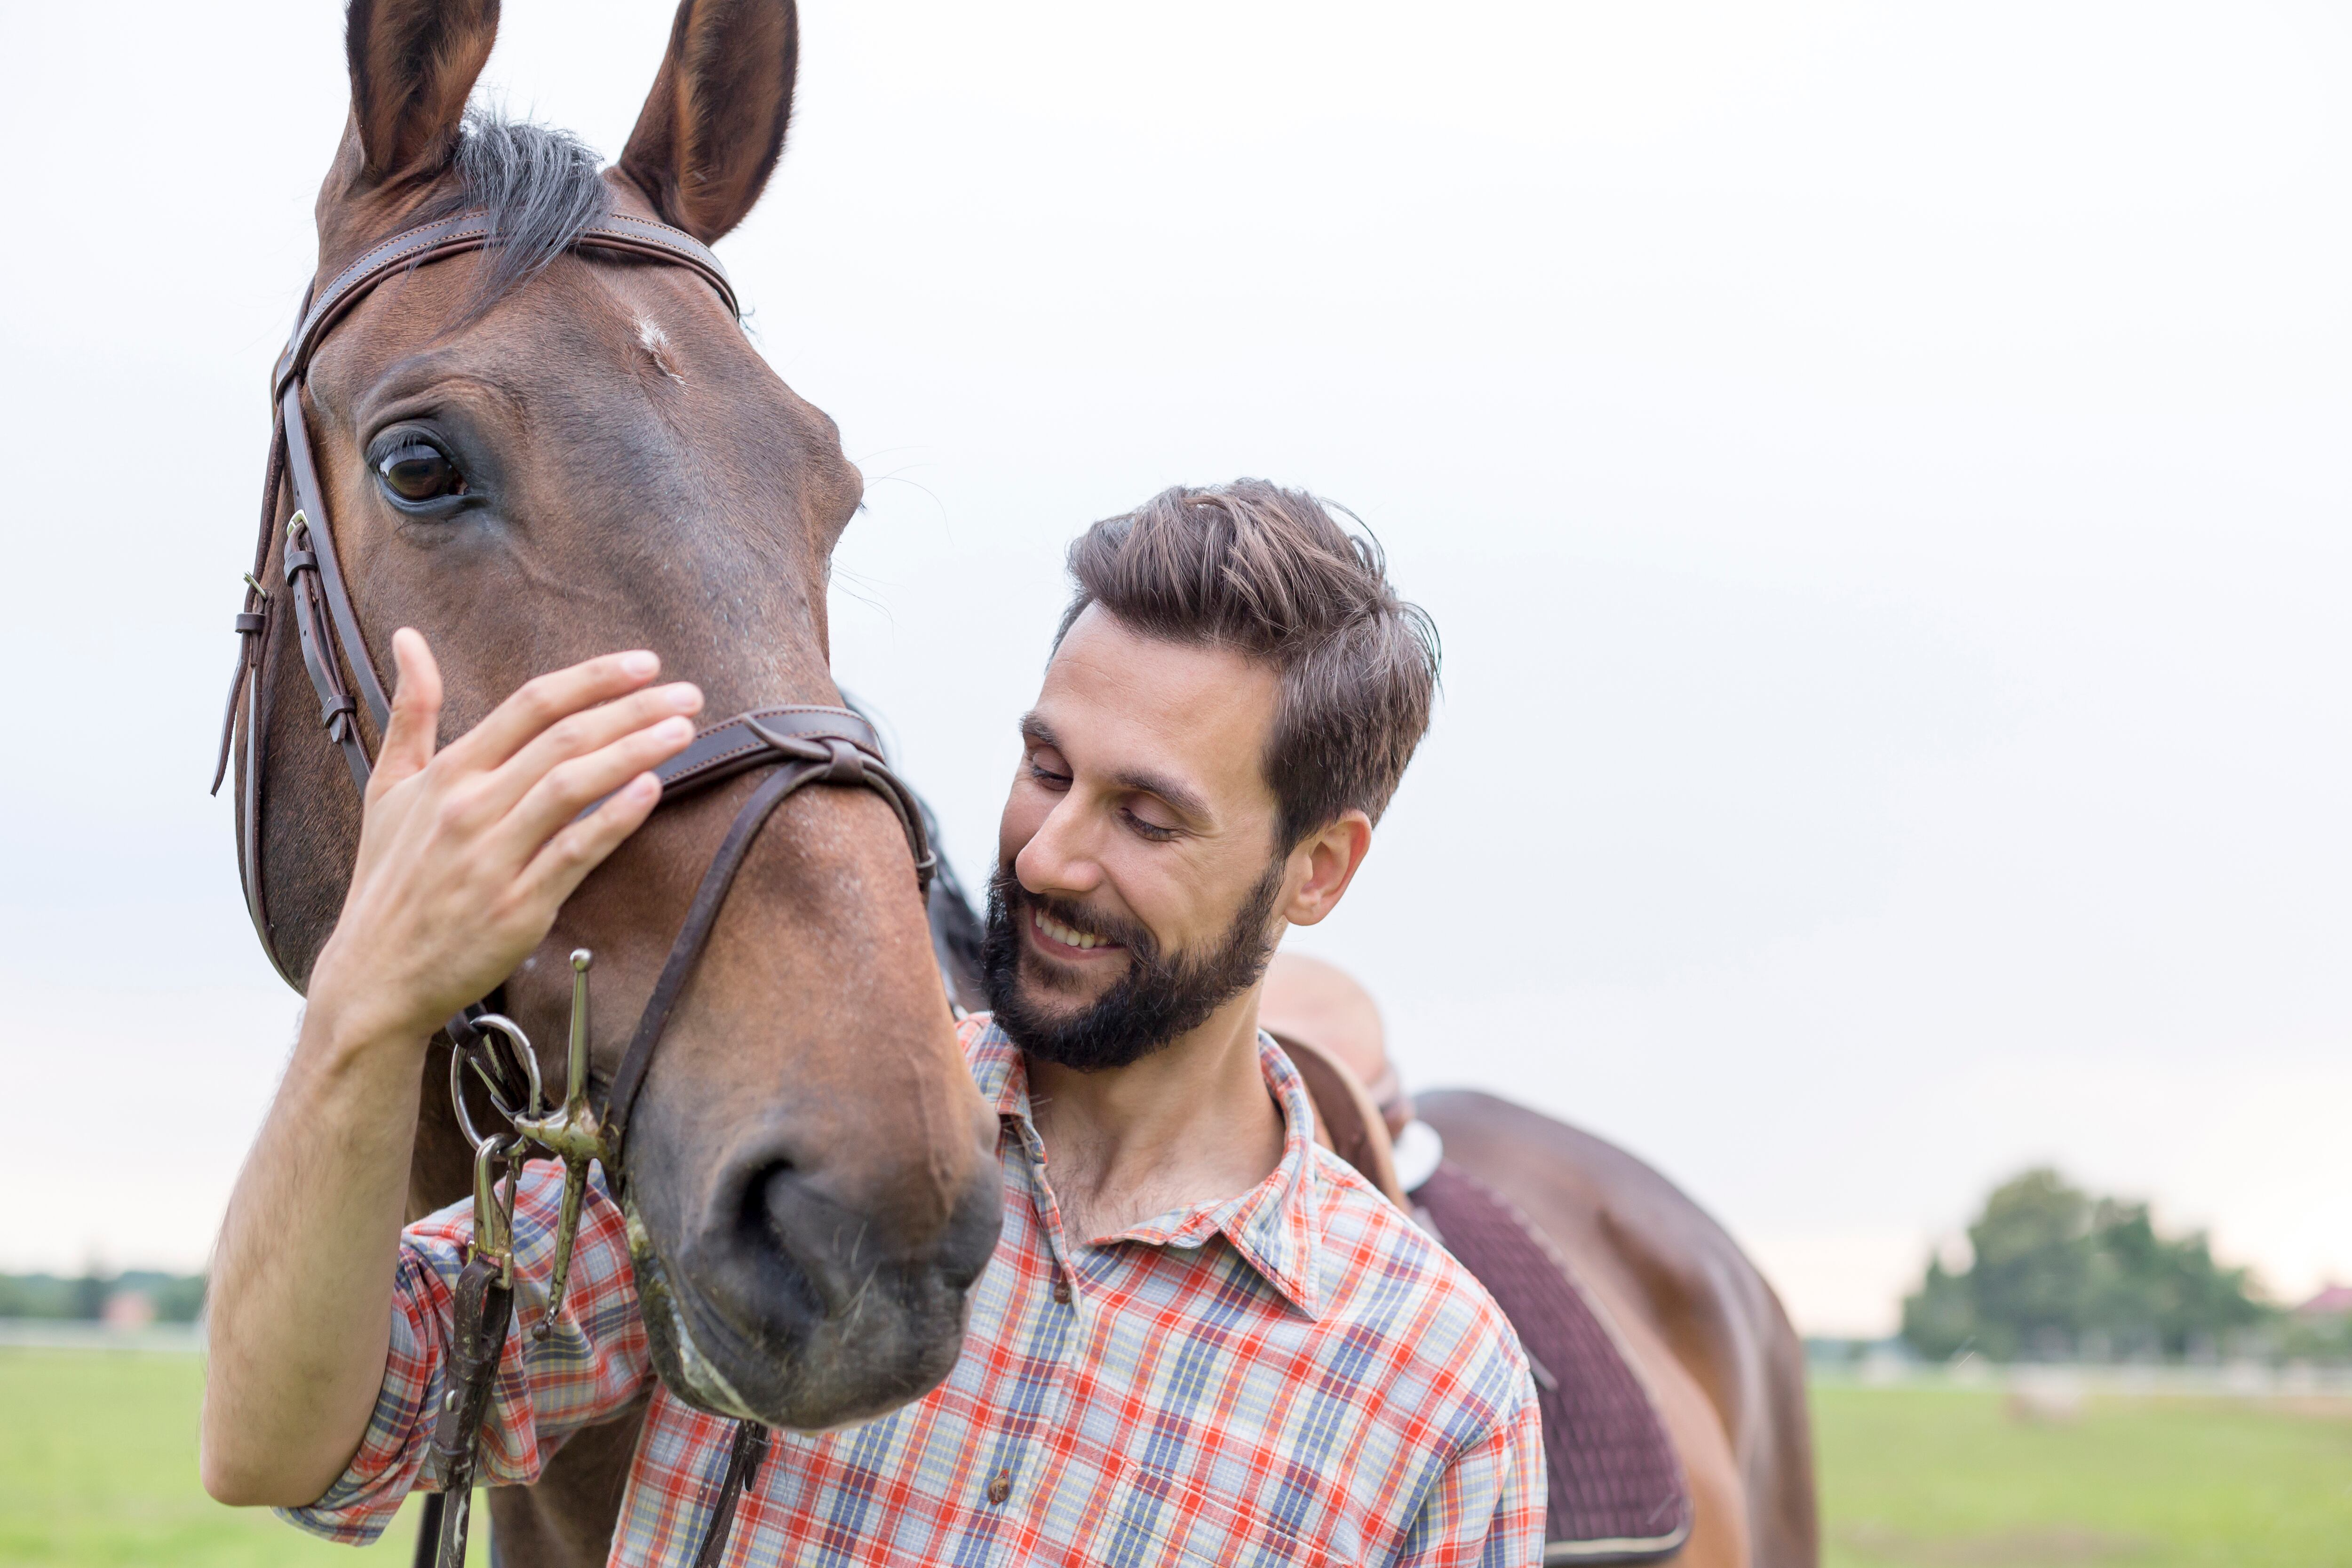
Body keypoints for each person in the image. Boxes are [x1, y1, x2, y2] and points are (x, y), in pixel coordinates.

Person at [201, 480, 1544, 1565]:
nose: (1050, 856)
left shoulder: (1436, 1390)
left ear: (1319, 870)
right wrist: (364, 1009)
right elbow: (297, 1448)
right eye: (1046, 769)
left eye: (1147, 817)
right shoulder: (788, 1142)